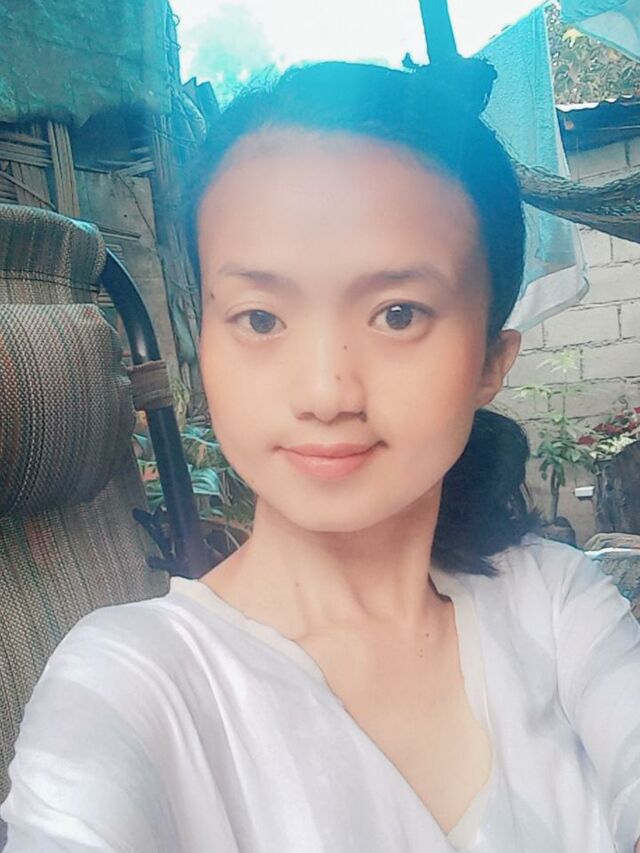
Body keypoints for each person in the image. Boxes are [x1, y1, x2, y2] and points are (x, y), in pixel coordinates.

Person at [2, 60, 639, 853]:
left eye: (398, 313)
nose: (325, 391)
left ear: (490, 359)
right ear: (203, 341)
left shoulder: (555, 605)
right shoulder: (132, 683)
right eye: (261, 318)